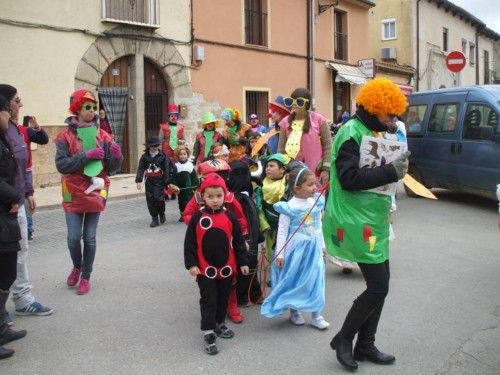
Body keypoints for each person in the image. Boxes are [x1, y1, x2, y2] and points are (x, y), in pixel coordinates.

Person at [323, 78, 410, 370]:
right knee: (378, 285)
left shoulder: (373, 130)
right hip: (356, 220)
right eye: (390, 114)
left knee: (380, 285)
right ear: (375, 108)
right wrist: (390, 171)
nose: (393, 120)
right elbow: (348, 180)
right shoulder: (350, 132)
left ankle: (366, 344)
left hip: (375, 218)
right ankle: (344, 339)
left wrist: (396, 161)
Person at [55, 88, 123, 295]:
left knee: (90, 237)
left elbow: (111, 169)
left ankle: (86, 276)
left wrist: (117, 157)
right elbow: (62, 165)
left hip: (98, 188)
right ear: (77, 109)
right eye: (87, 107)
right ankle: (77, 266)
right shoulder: (63, 137)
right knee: (73, 238)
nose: (92, 111)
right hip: (70, 190)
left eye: (94, 107)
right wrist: (86, 155)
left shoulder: (103, 135)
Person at [0, 84, 53, 320]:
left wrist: (28, 192)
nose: (20, 104)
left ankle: (21, 300)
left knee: (19, 252)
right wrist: (10, 197)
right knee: (9, 255)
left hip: (16, 201)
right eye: (16, 100)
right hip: (6, 203)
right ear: (5, 105)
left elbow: (22, 166)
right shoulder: (3, 131)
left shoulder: (15, 129)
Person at [184, 173, 249, 355]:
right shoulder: (197, 218)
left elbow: (237, 242)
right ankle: (209, 332)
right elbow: (189, 243)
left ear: (224, 196)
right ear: (202, 196)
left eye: (219, 196)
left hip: (226, 269)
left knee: (223, 299)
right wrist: (191, 264)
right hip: (205, 270)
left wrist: (242, 262)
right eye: (210, 196)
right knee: (208, 300)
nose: (215, 200)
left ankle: (219, 323)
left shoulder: (230, 217)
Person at [261, 167, 329, 330]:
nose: (315, 188)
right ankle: (295, 311)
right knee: (295, 280)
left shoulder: (315, 202)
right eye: (310, 185)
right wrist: (280, 254)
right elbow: (283, 231)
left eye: (315, 184)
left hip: (313, 249)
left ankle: (316, 315)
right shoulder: (288, 207)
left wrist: (322, 245)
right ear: (296, 188)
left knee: (316, 280)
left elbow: (318, 225)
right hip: (296, 251)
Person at [0, 95, 27, 360]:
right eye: (5, 111)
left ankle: (1, 328)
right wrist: (13, 196)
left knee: (7, 270)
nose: (9, 116)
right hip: (4, 210)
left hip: (7, 213)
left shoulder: (5, 137)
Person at [277, 88, 332, 185]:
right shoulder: (285, 123)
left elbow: (328, 146)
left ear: (307, 104)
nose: (294, 104)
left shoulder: (319, 120)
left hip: (315, 171)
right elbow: (281, 150)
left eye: (299, 102)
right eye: (291, 101)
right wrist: (281, 170)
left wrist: (326, 169)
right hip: (292, 172)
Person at [228, 160, 263, 306]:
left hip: (245, 237)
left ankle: (253, 294)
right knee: (247, 263)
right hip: (246, 238)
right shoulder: (243, 198)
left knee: (247, 264)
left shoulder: (234, 197)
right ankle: (244, 297)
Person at [17, 115, 49, 242]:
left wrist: (36, 126)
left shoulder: (25, 130)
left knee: (25, 200)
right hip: (12, 172)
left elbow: (44, 139)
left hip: (25, 171)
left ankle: (28, 230)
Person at [135, 136, 174, 228]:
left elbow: (167, 169)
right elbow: (141, 168)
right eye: (152, 146)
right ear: (148, 146)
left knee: (159, 199)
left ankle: (161, 213)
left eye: (156, 145)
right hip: (149, 181)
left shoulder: (163, 156)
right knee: (150, 200)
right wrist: (139, 181)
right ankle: (154, 218)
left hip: (159, 181)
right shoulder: (144, 157)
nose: (154, 147)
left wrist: (167, 181)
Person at [173, 145, 198, 222]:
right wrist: (175, 186)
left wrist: (195, 186)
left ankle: (190, 214)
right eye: (181, 154)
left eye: (184, 154)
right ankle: (183, 214)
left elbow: (194, 177)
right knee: (181, 202)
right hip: (181, 189)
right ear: (178, 155)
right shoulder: (176, 166)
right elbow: (174, 178)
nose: (183, 156)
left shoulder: (190, 165)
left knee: (190, 201)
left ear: (187, 155)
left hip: (190, 189)